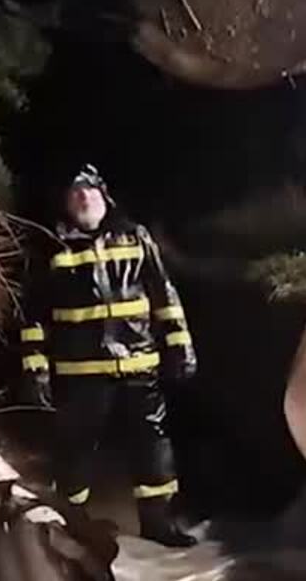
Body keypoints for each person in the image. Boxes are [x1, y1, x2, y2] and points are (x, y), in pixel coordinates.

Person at [19, 165, 200, 548]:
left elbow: (163, 295)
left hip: (139, 365)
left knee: (152, 445)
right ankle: (69, 529)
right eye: (74, 191)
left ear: (104, 195)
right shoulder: (51, 246)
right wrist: (36, 369)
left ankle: (159, 523)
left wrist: (179, 346)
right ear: (64, 202)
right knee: (74, 452)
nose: (83, 197)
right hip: (79, 373)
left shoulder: (135, 236)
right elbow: (33, 314)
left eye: (89, 189)